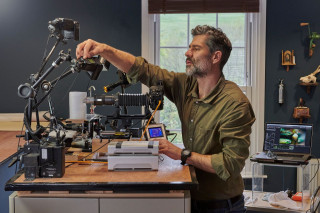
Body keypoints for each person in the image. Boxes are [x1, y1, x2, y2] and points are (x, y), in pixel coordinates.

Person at [76, 25, 255, 213]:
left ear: (216, 57)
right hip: (190, 198)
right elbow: (144, 70)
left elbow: (230, 164)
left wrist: (182, 154)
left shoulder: (235, 103)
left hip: (222, 206)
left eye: (195, 49)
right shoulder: (185, 85)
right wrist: (105, 49)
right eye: (189, 47)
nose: (187, 53)